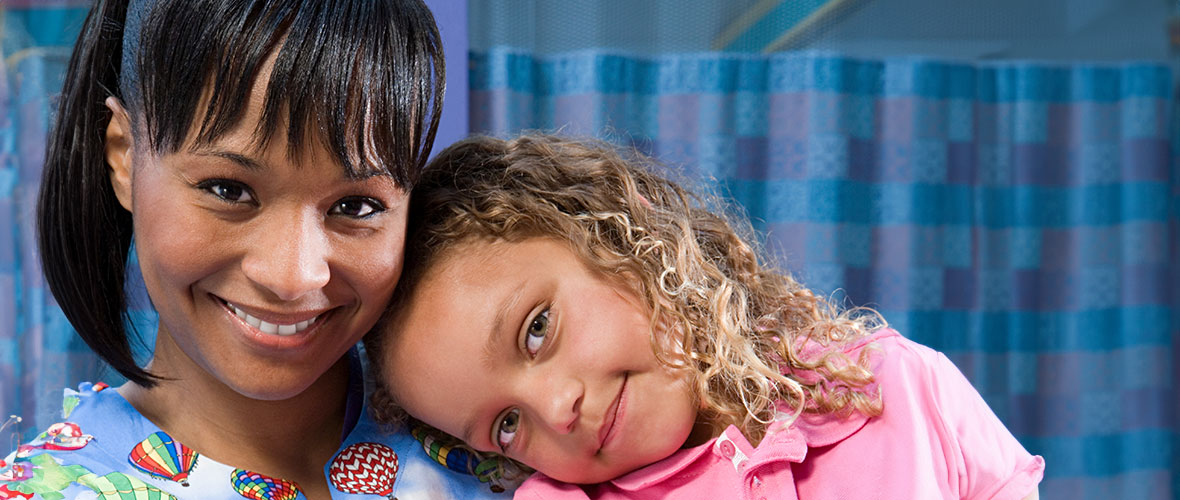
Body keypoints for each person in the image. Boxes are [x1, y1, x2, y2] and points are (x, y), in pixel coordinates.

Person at [1, 1, 511, 499]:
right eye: (229, 190)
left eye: (355, 206)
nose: (292, 276)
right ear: (125, 158)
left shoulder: (509, 435)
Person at [367, 134, 1046, 499]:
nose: (557, 408)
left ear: (619, 239)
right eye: (506, 425)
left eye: (537, 328)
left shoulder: (900, 387)